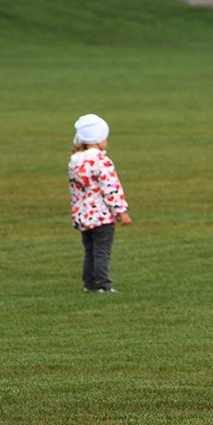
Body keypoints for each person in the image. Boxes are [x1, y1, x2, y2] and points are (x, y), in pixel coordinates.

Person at [68, 113, 131, 292]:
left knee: (90, 252)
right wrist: (121, 211)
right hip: (102, 216)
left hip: (83, 216)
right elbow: (110, 188)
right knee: (102, 251)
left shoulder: (75, 162)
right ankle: (103, 284)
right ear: (97, 139)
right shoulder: (102, 162)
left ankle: (89, 284)